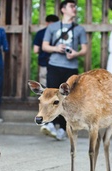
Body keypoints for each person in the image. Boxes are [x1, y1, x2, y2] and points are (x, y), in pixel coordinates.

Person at [42, 0, 87, 141]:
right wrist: (56, 48)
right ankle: (49, 123)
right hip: (54, 65)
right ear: (63, 9)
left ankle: (62, 128)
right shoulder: (53, 27)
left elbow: (85, 49)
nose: (74, 9)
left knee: (66, 99)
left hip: (71, 67)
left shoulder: (79, 29)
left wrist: (76, 53)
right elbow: (44, 46)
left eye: (75, 6)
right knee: (51, 95)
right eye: (71, 6)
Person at [33, 14, 59, 87]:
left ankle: (44, 97)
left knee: (43, 84)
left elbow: (35, 50)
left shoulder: (40, 33)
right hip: (57, 63)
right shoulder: (60, 33)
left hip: (44, 62)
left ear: (47, 22)